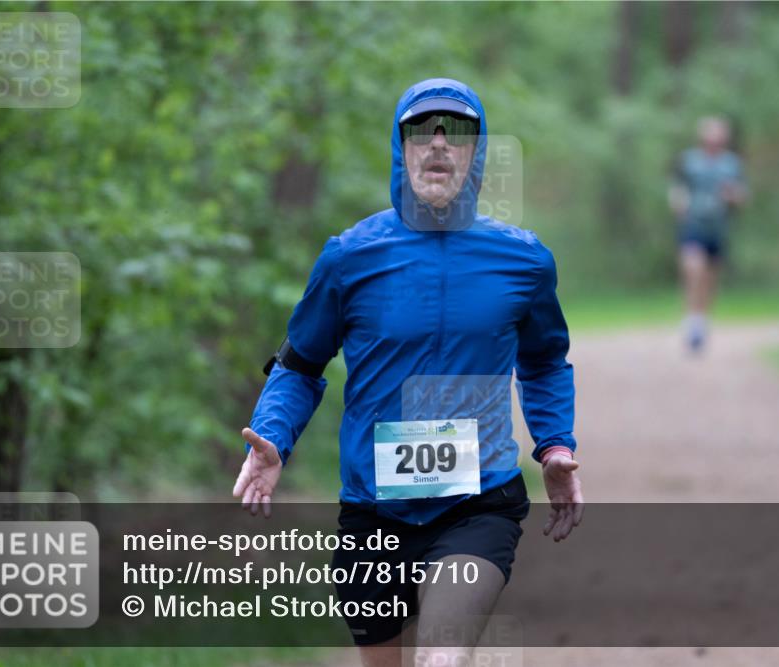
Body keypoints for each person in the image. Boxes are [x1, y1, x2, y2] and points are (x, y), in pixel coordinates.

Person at [232, 78, 582, 667]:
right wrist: (274, 438)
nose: (438, 144)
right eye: (422, 130)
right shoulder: (349, 257)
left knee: (441, 658)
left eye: (457, 131)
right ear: (401, 147)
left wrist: (553, 446)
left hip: (478, 503)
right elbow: (299, 363)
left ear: (478, 150)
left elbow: (545, 359)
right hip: (373, 508)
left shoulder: (524, 260)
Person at [668, 116, 748, 353]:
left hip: (718, 228)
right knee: (693, 269)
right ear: (702, 138)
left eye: (718, 138)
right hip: (693, 224)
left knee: (710, 278)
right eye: (709, 137)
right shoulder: (689, 161)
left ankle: (702, 320)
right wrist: (678, 202)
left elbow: (742, 196)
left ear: (723, 140)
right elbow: (677, 187)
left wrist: (734, 196)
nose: (713, 142)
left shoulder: (731, 164)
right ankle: (691, 319)